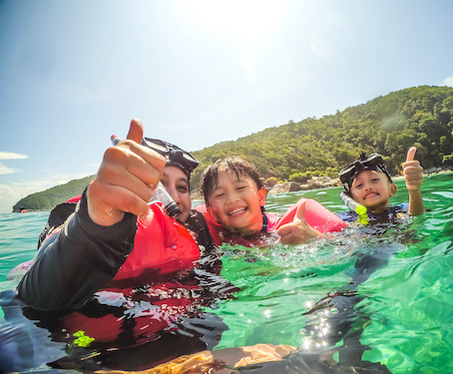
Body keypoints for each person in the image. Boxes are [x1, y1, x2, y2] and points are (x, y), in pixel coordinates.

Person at [12, 119, 236, 371]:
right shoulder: (87, 227)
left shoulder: (200, 237)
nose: (172, 196)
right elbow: (34, 297)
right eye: (158, 184)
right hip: (95, 356)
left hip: (189, 353)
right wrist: (98, 223)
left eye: (182, 187)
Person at [199, 156, 347, 246]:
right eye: (220, 195)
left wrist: (315, 239)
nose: (232, 199)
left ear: (261, 196)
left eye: (240, 187)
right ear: (212, 212)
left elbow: (353, 250)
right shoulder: (212, 238)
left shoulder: (282, 230)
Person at [338, 147, 425, 222]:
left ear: (392, 189)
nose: (368, 187)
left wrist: (414, 191)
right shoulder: (345, 219)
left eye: (374, 179)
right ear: (352, 199)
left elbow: (417, 218)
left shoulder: (402, 210)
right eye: (359, 185)